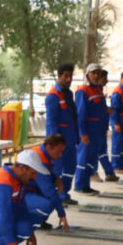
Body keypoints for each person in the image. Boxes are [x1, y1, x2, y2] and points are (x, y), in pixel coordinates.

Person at [45, 63, 79, 206]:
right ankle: (56, 197)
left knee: (70, 167)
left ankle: (64, 194)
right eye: (66, 76)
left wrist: (76, 136)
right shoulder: (52, 96)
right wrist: (54, 143)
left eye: (70, 76)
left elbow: (73, 117)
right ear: (59, 76)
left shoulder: (69, 94)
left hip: (70, 140)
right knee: (57, 169)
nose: (69, 79)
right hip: (58, 142)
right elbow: (52, 122)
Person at [73, 63, 108, 195]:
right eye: (93, 73)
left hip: (98, 132)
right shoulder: (83, 91)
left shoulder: (98, 90)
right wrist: (83, 133)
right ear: (87, 75)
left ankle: (86, 185)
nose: (96, 75)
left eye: (98, 73)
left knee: (91, 160)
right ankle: (79, 185)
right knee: (83, 159)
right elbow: (80, 114)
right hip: (88, 131)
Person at [26, 135, 71, 232]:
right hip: (22, 194)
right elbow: (49, 191)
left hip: (29, 189)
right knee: (49, 202)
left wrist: (56, 179)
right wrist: (62, 214)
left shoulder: (41, 152)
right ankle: (30, 220)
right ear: (49, 147)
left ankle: (37, 219)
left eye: (62, 152)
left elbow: (47, 175)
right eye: (58, 152)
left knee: (51, 196)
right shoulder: (40, 160)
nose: (60, 155)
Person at [96, 68, 120, 183]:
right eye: (104, 78)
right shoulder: (93, 91)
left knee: (102, 152)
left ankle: (109, 173)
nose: (106, 81)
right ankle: (94, 173)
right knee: (94, 153)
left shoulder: (99, 91)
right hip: (94, 128)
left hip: (102, 126)